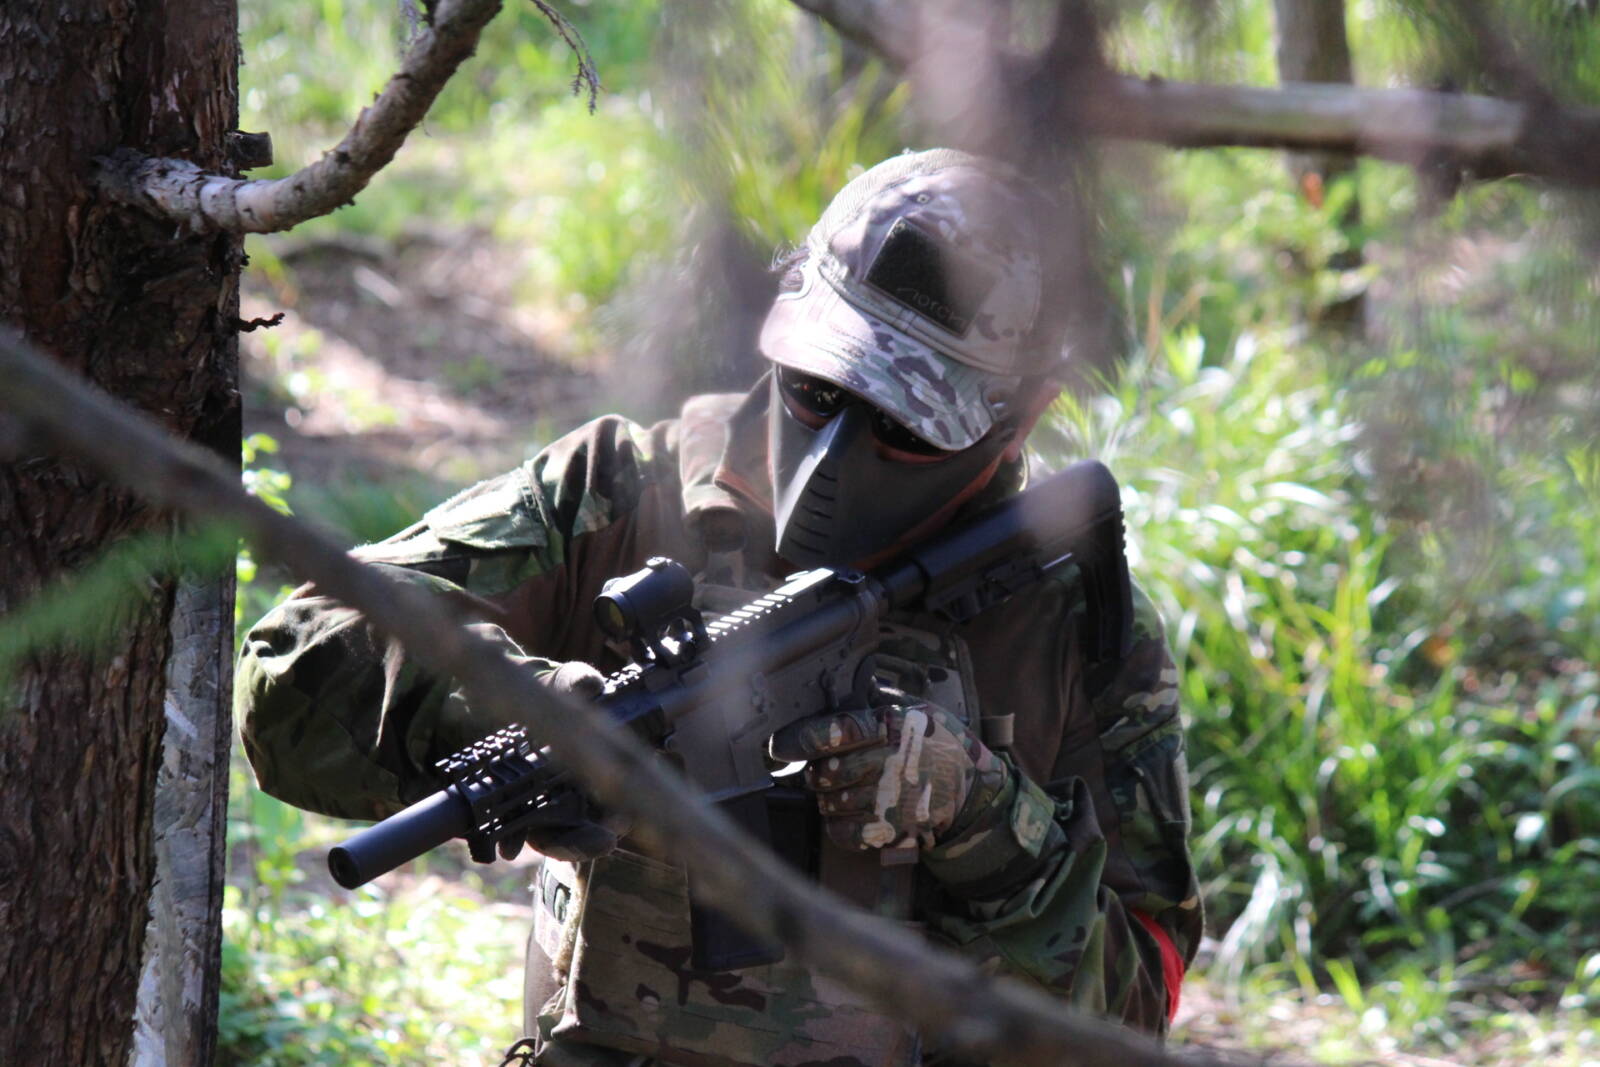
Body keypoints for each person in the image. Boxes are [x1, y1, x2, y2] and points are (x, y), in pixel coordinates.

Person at [237, 148, 1201, 1066]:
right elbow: (293, 660)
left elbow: (1134, 1017)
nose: (831, 461)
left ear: (1021, 417)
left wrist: (985, 820)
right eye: (816, 388)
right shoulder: (625, 490)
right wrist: (514, 703)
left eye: (907, 425)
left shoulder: (1076, 624)